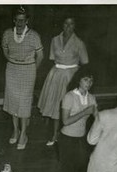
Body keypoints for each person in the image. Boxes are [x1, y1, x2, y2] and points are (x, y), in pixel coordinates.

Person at [49, 68, 97, 172]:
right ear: (79, 80)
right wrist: (85, 112)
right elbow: (65, 121)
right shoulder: (69, 97)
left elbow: (98, 118)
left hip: (81, 139)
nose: (88, 83)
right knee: (69, 171)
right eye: (85, 80)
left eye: (91, 80)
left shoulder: (92, 98)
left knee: (82, 171)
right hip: (66, 139)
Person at [38, 17, 89, 146]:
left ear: (75, 26)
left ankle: (69, 133)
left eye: (71, 24)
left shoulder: (79, 42)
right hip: (55, 75)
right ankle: (55, 135)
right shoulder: (55, 40)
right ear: (62, 24)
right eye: (66, 23)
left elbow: (85, 62)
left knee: (68, 105)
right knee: (55, 105)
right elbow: (52, 58)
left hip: (70, 77)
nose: (68, 26)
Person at [1, 6, 43, 150]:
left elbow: (40, 57)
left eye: (23, 20)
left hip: (28, 70)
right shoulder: (7, 34)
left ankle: (23, 133)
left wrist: (30, 69)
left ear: (27, 21)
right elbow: (5, 51)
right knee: (13, 101)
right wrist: (15, 61)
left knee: (24, 102)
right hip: (12, 69)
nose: (20, 23)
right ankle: (15, 130)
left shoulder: (34, 36)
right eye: (17, 20)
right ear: (14, 20)